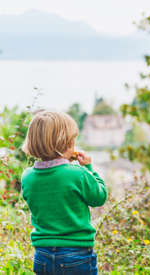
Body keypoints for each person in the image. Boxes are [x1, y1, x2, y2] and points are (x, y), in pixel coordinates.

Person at [21, 111, 107, 275]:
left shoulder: (27, 177)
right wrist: (88, 168)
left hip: (42, 255)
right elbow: (99, 197)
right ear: (65, 144)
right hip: (76, 254)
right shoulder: (76, 173)